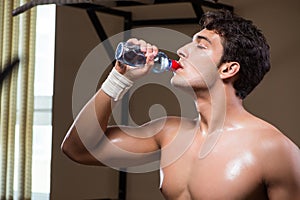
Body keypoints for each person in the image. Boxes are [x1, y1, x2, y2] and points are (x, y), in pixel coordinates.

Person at [61, 10, 300, 199]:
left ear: (228, 69)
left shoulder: (275, 150)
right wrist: (119, 77)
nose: (181, 50)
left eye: (201, 45)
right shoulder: (169, 133)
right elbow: (78, 149)